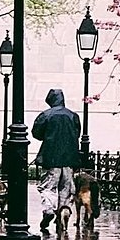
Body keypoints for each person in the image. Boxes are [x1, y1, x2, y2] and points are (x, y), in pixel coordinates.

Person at [32, 89, 82, 232]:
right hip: (69, 159)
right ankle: (63, 211)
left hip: (50, 158)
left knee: (48, 187)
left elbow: (36, 133)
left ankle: (48, 210)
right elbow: (77, 134)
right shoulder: (73, 116)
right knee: (65, 188)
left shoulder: (46, 115)